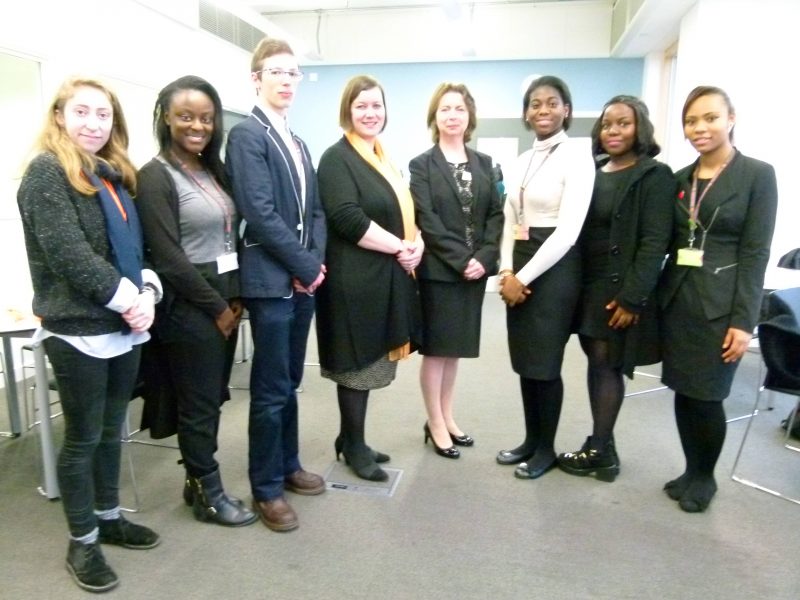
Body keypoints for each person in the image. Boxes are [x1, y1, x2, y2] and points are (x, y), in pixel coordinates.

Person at [17, 77, 162, 592]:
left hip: (122, 326)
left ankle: (109, 516)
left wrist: (148, 292)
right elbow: (69, 254)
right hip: (78, 330)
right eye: (81, 112)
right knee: (82, 438)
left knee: (110, 430)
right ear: (59, 115)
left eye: (103, 115)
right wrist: (132, 302)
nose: (93, 123)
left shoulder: (110, 174)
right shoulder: (46, 172)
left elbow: (136, 250)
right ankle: (82, 541)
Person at [136, 75, 257, 527]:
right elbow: (168, 257)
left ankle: (196, 481)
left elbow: (229, 237)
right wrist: (217, 307)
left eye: (206, 118)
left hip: (222, 299)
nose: (197, 126)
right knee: (198, 403)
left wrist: (235, 296)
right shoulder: (154, 176)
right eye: (186, 116)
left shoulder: (212, 168)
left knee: (211, 396)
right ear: (166, 118)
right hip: (189, 306)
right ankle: (209, 492)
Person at [225, 38, 327, 532]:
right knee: (268, 390)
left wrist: (315, 264)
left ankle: (288, 465)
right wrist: (306, 266)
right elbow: (260, 214)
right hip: (270, 282)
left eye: (293, 73)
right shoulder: (247, 136)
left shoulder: (298, 142)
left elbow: (316, 211)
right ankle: (266, 488)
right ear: (256, 79)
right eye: (277, 72)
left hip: (302, 281)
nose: (287, 80)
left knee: (290, 382)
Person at [658, 86, 777, 512]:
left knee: (707, 396)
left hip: (722, 306)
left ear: (730, 118)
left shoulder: (757, 175)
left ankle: (705, 477)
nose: (700, 128)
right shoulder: (679, 179)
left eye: (710, 118)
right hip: (679, 300)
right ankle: (690, 469)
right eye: (691, 121)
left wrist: (744, 321)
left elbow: (756, 252)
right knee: (684, 390)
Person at [556, 95, 675, 482]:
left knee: (607, 365)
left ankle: (601, 451)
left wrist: (632, 298)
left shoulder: (654, 175)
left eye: (623, 123)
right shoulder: (593, 169)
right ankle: (602, 444)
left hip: (618, 289)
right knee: (596, 361)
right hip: (585, 283)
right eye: (607, 124)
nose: (613, 131)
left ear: (640, 128)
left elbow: (655, 243)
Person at [316, 75, 423, 480]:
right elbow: (347, 218)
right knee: (356, 364)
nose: (370, 113)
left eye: (376, 105)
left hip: (382, 276)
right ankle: (354, 447)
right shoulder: (337, 158)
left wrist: (414, 244)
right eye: (361, 105)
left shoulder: (381, 156)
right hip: (353, 282)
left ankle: (350, 438)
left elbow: (402, 209)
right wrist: (400, 247)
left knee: (370, 362)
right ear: (348, 111)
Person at [496, 75, 595, 479]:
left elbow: (568, 232)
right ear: (526, 113)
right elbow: (509, 219)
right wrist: (506, 270)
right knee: (526, 362)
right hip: (519, 264)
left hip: (555, 269)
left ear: (566, 110)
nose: (543, 110)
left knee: (545, 363)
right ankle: (530, 440)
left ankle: (546, 450)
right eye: (535, 104)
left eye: (552, 103)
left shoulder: (578, 156)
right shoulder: (522, 160)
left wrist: (522, 277)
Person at [409, 82, 504, 458]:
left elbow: (496, 215)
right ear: (435, 117)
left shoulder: (485, 164)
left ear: (470, 116)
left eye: (459, 109)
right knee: (436, 351)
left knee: (454, 352)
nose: (452, 115)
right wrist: (463, 259)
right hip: (440, 272)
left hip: (475, 273)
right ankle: (434, 422)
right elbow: (427, 220)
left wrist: (485, 256)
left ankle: (447, 416)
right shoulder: (422, 165)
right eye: (445, 109)